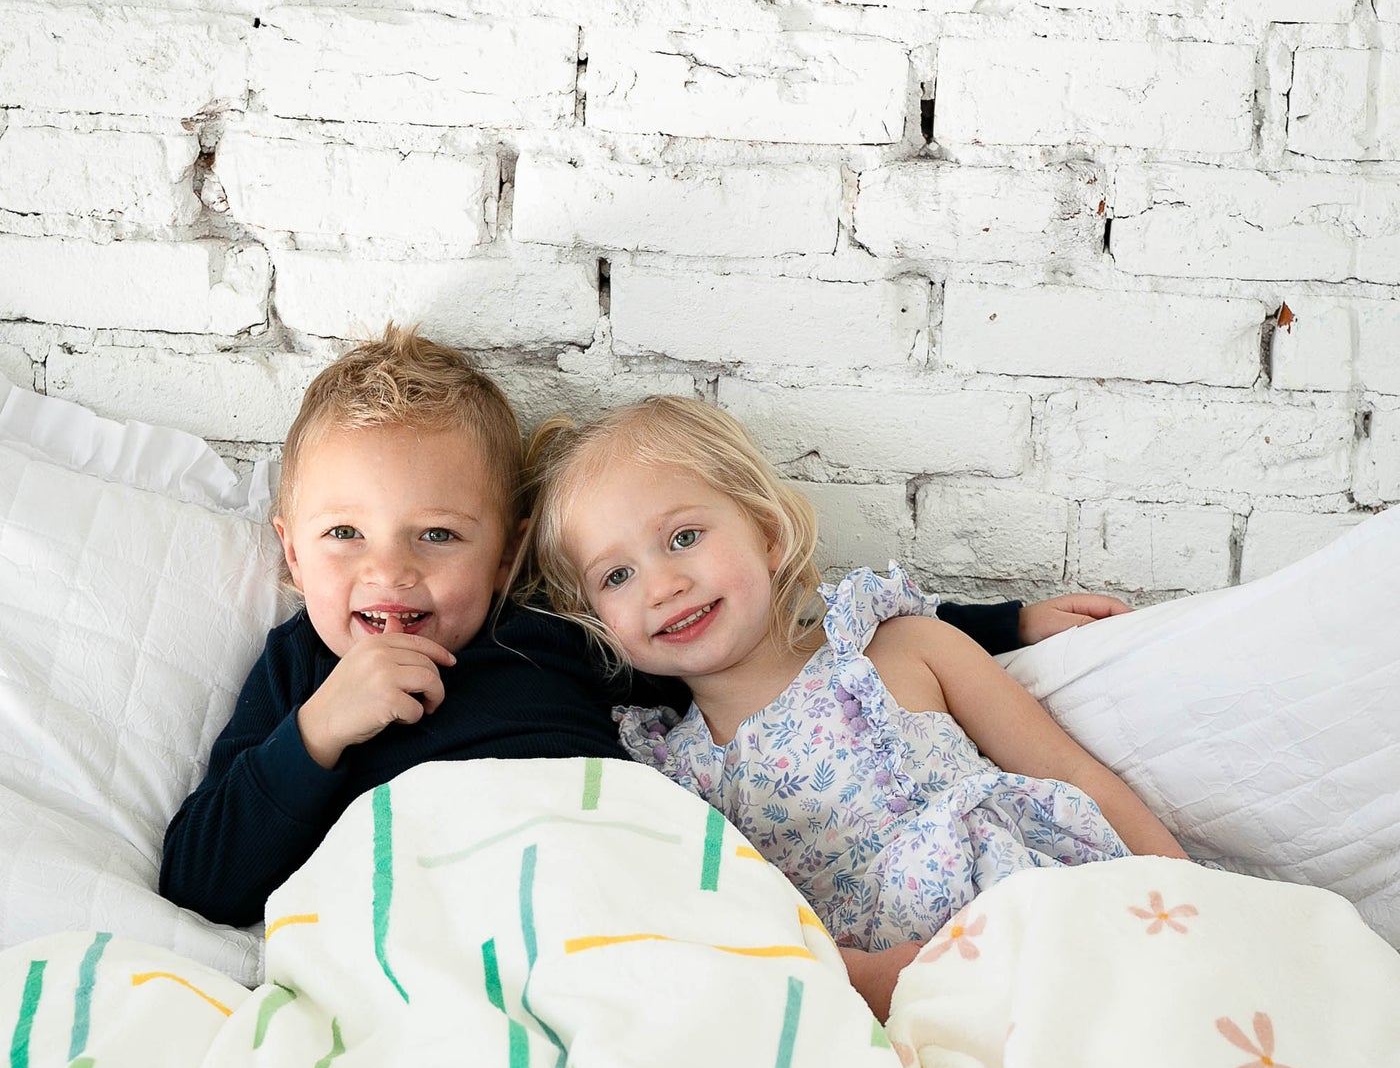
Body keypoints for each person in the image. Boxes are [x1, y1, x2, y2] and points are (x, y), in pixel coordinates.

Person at [160, 329, 1137, 936]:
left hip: (611, 908)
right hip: (427, 917)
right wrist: (319, 734)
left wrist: (1001, 621)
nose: (390, 571)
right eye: (343, 536)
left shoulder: (558, 644)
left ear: (502, 562)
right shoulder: (299, 672)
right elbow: (201, 879)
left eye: (438, 537)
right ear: (290, 553)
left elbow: (780, 640)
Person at [520, 397, 1186, 1022]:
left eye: (685, 536)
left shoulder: (901, 649)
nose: (663, 585)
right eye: (616, 576)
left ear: (768, 532)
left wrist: (1186, 894)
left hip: (1046, 927)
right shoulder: (673, 782)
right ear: (594, 621)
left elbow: (1072, 773)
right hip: (896, 1008)